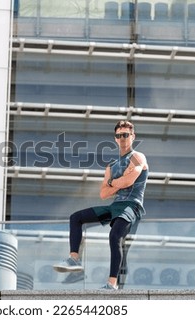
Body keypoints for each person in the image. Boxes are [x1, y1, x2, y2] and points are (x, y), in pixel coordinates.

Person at [53, 120, 149, 290]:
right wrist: (117, 181)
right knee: (76, 218)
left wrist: (114, 183)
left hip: (131, 205)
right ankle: (74, 258)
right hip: (114, 207)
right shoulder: (111, 166)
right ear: (115, 139)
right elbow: (103, 194)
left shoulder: (137, 156)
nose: (123, 138)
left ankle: (112, 284)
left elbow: (130, 180)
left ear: (132, 137)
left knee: (114, 236)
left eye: (126, 135)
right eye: (119, 135)